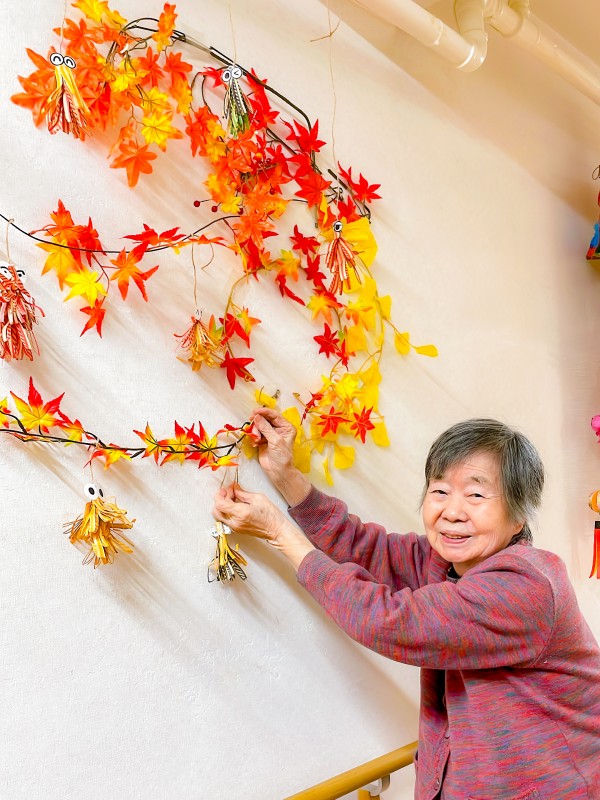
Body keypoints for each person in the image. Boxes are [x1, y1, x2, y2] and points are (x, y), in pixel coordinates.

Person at [213, 410, 600, 800]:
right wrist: (285, 475)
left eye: (476, 495)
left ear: (518, 518)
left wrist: (280, 533)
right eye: (440, 491)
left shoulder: (525, 585)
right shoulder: (445, 562)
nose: (452, 512)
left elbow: (387, 621)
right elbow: (364, 548)